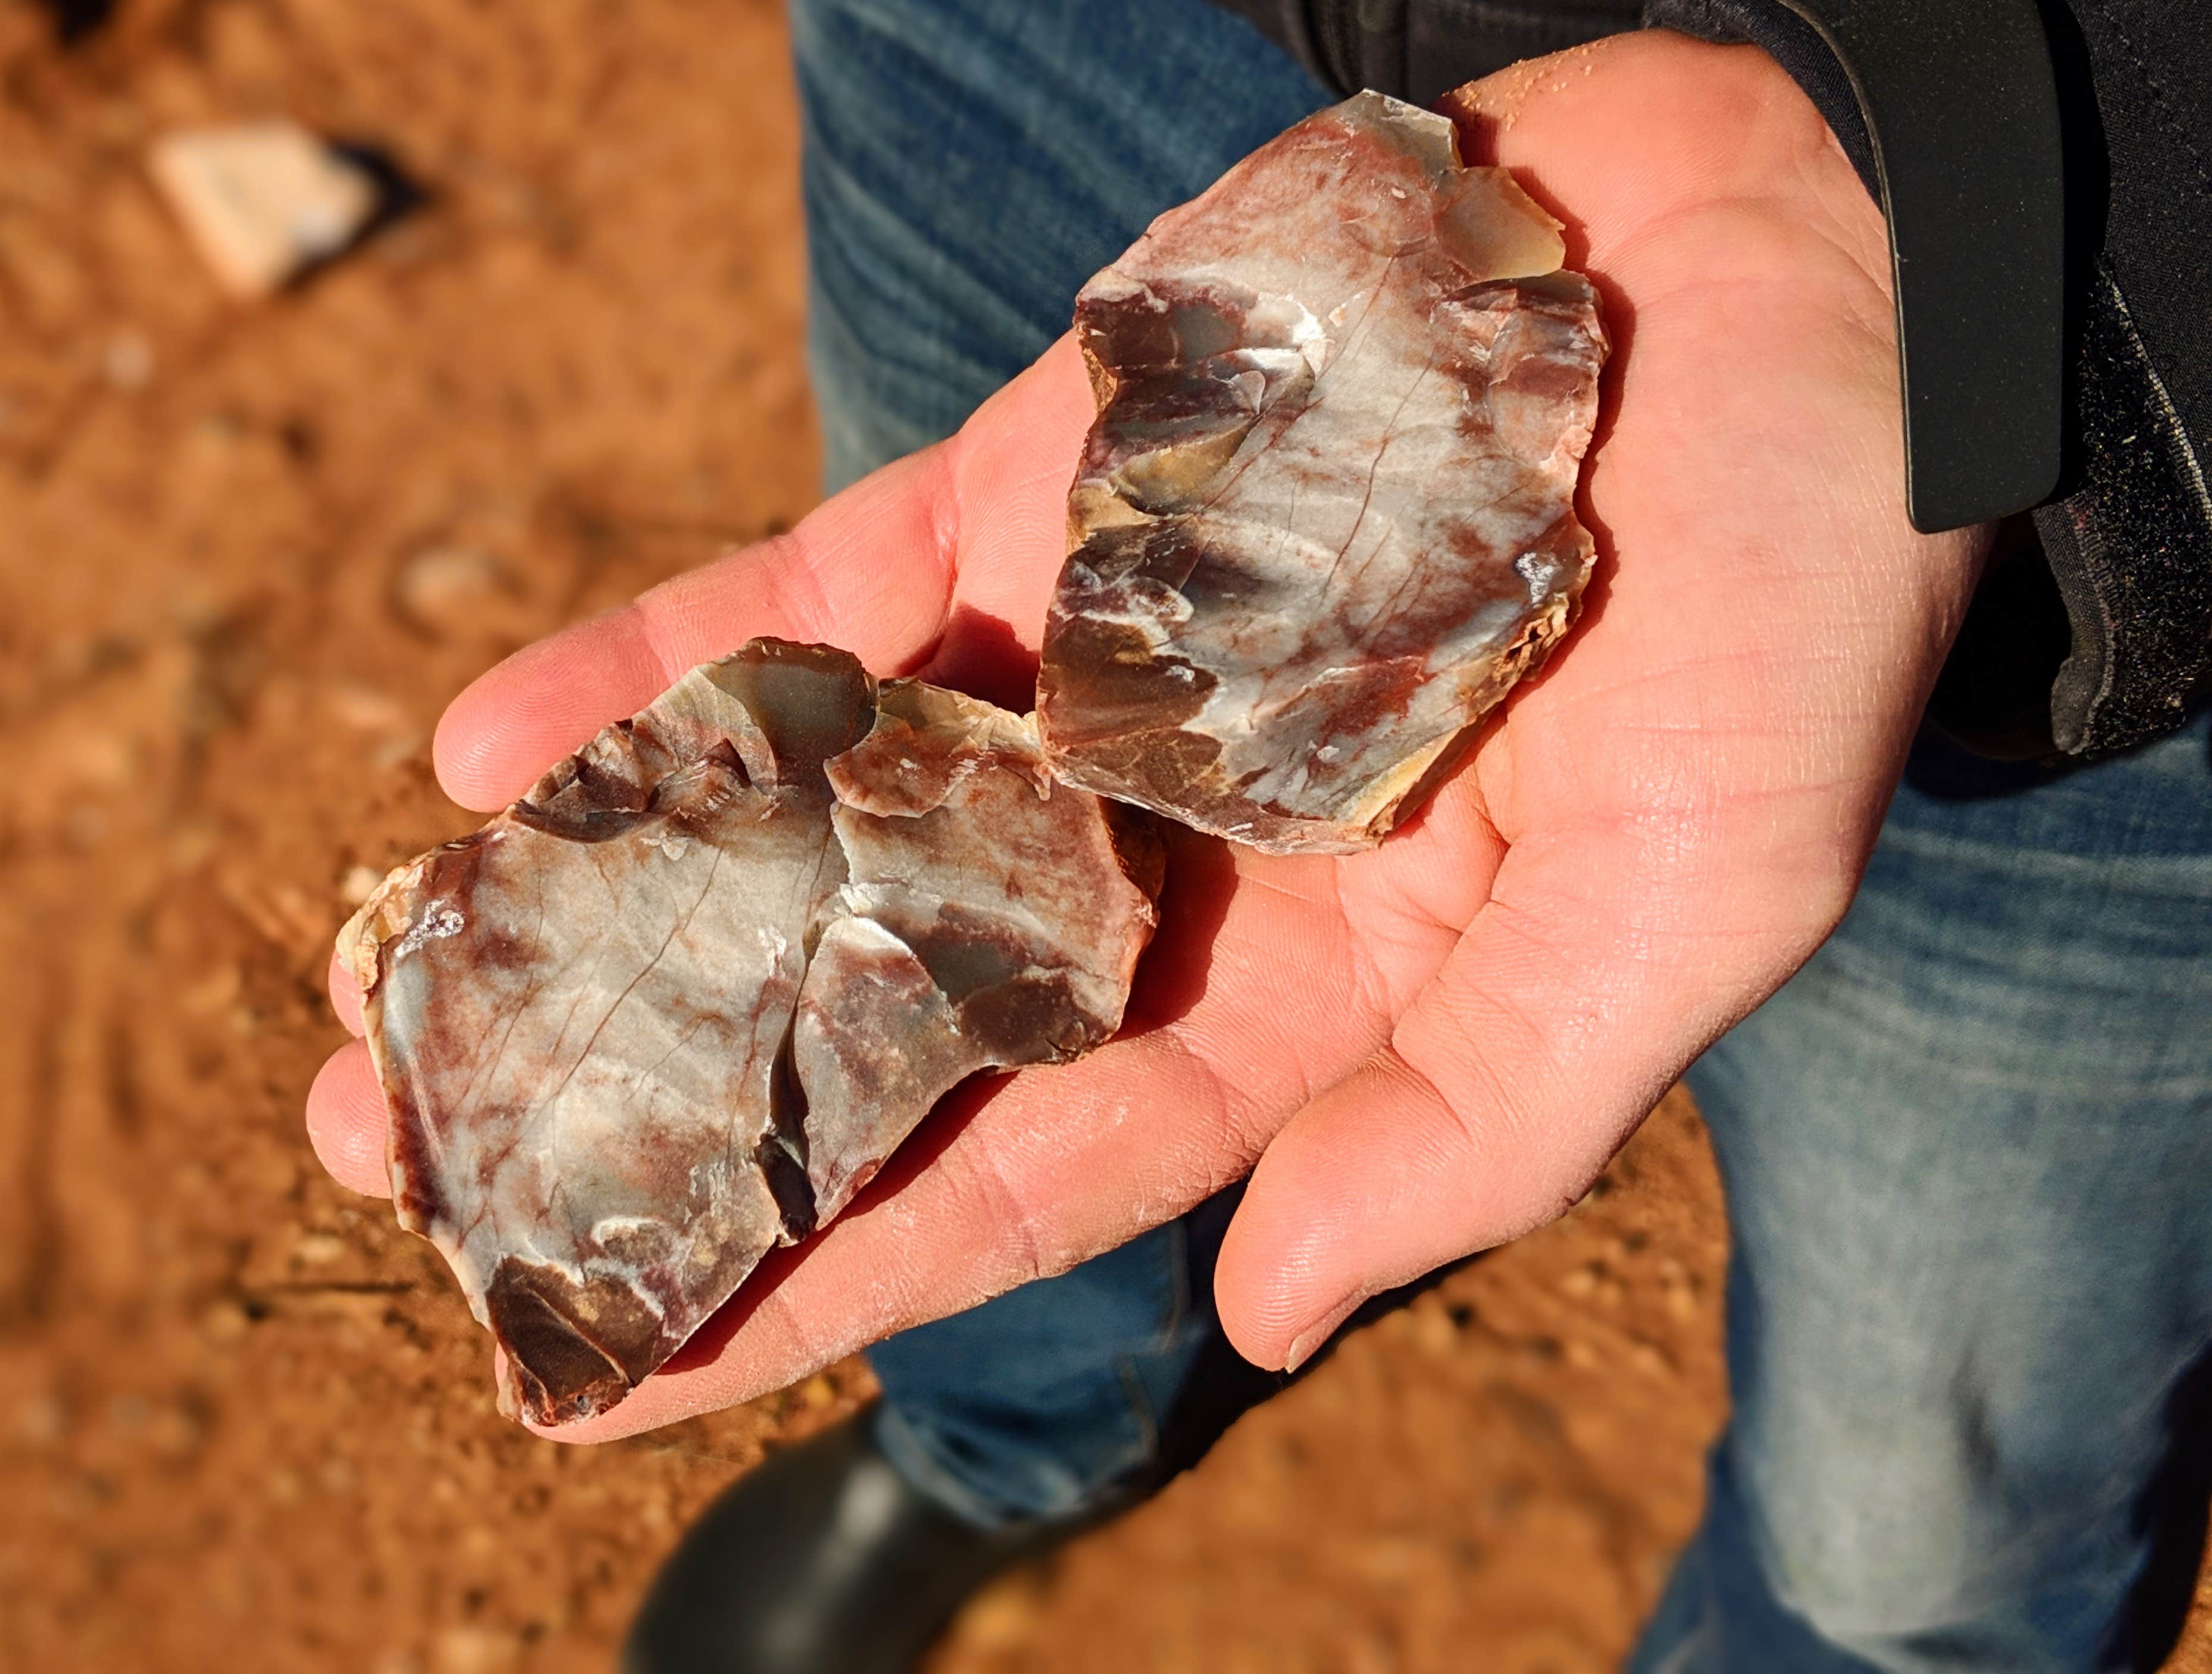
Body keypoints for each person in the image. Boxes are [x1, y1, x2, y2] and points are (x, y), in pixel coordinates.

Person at [305, 1, 2212, 1669]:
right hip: (1022, 47)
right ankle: (1009, 1448)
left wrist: (1936, 151)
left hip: (2076, 296)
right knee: (1016, 1218)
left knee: (1929, 1509)